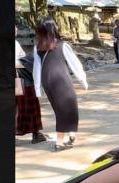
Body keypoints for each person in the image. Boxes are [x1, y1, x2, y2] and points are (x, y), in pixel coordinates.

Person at [33, 18, 88, 152]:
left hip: (47, 81)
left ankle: (71, 135)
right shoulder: (62, 45)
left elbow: (37, 68)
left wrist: (38, 88)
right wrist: (82, 80)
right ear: (53, 29)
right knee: (68, 108)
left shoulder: (38, 47)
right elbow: (74, 64)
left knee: (61, 109)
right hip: (61, 80)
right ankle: (59, 142)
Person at [16, 30, 49, 144]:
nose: (15, 29)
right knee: (31, 106)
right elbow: (17, 62)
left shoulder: (15, 43)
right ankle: (36, 133)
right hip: (22, 78)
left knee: (19, 107)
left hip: (17, 78)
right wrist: (27, 61)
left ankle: (24, 131)